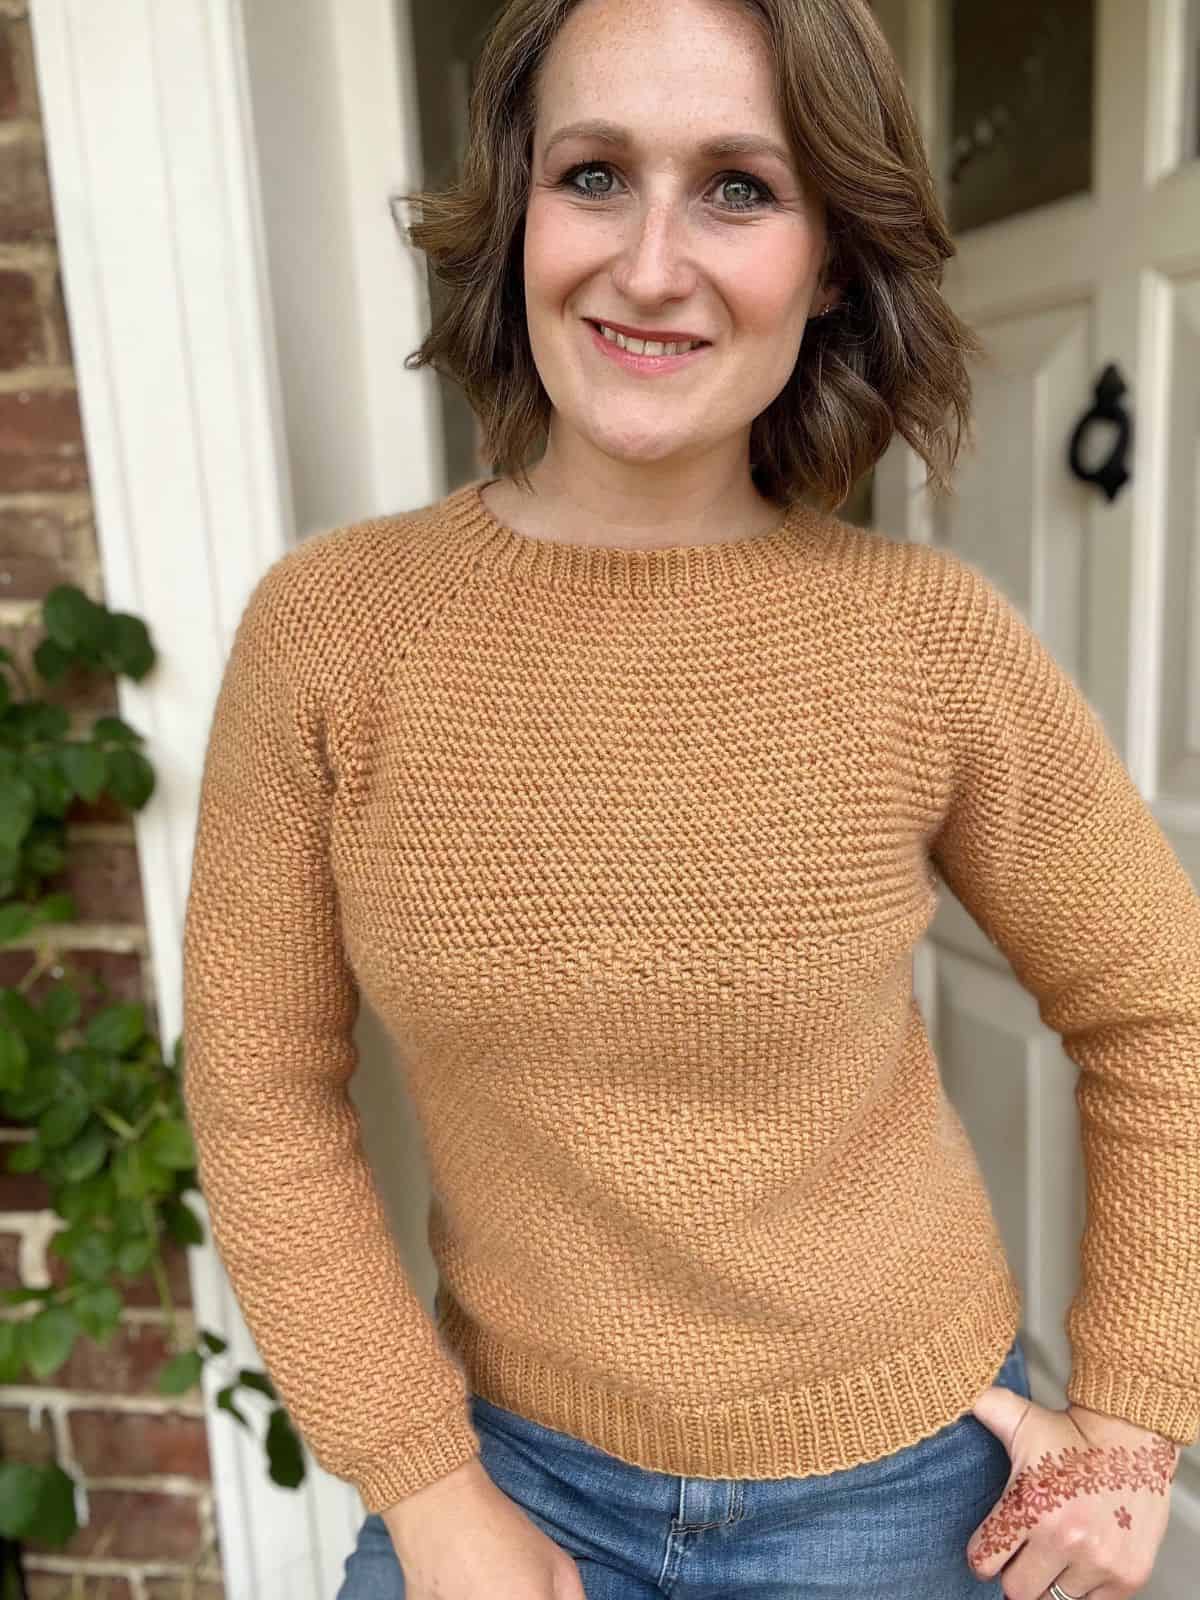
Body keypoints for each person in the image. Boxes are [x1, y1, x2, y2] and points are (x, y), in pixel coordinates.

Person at [180, 0, 1200, 1596]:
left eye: (740, 187)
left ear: (834, 256)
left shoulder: (922, 644)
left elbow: (1163, 1007)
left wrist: (1137, 1418)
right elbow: (258, 1095)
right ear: (516, 207)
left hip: (900, 1493)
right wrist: (428, 1492)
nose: (651, 264)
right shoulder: (334, 635)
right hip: (501, 1476)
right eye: (594, 174)